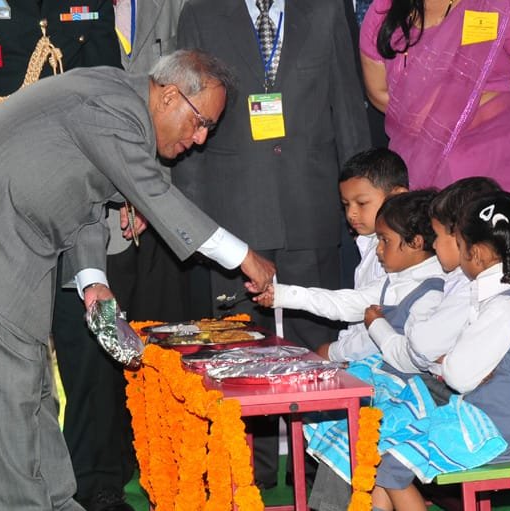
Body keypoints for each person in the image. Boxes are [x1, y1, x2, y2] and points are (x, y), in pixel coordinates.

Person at [0, 49, 275, 511]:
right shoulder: (115, 109)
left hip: (14, 244)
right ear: (170, 95)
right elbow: (156, 196)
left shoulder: (116, 100)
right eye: (200, 123)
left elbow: (86, 210)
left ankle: (55, 500)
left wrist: (94, 285)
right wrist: (246, 257)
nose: (198, 139)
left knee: (33, 392)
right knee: (10, 401)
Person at [175, 0, 370, 488]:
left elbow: (347, 107)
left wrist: (366, 200)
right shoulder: (200, 13)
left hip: (313, 203)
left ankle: (325, 473)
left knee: (321, 349)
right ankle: (248, 477)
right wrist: (196, 222)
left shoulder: (325, 10)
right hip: (232, 214)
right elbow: (188, 115)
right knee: (238, 353)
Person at [359, 0, 510, 287]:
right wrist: (435, 132)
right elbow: (378, 92)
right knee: (425, 285)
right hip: (420, 169)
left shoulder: (501, 5)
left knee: (497, 277)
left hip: (495, 172)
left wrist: (483, 122)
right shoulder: (384, 10)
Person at [370, 191, 510, 510]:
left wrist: (451, 364)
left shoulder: (505, 306)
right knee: (386, 447)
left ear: (480, 253)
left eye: (459, 245)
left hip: (502, 433)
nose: (456, 255)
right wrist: (454, 364)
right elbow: (464, 369)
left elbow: (458, 375)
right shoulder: (504, 296)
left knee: (392, 467)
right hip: (485, 417)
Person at [254, 190, 445, 364]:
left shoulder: (431, 292)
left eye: (385, 241)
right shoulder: (397, 279)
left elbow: (407, 355)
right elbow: (347, 303)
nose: (378, 249)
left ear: (415, 242)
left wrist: (336, 352)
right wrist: (282, 295)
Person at [371, 176, 501, 373]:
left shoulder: (470, 289)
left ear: (460, 236)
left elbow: (422, 347)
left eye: (437, 236)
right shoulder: (459, 280)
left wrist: (378, 326)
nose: (433, 244)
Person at [310, 147, 409, 361]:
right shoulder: (367, 244)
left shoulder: (401, 256)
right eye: (346, 205)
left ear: (398, 197)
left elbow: (381, 323)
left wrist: (336, 353)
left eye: (362, 203)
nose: (351, 213)